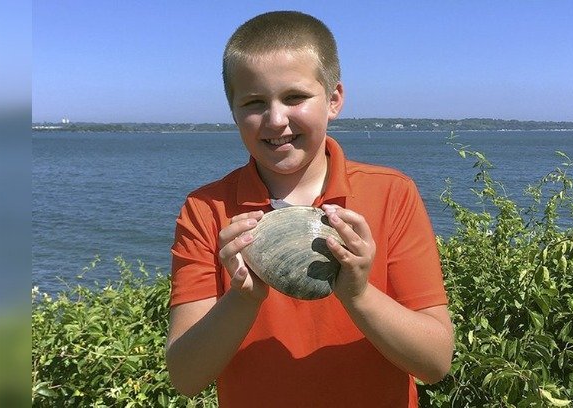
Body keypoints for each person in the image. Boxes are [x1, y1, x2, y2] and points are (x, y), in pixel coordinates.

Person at [166, 10, 454, 407]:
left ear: (333, 99)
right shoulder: (206, 210)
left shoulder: (392, 194)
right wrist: (242, 299)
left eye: (295, 97)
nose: (275, 119)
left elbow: (435, 362)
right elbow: (185, 376)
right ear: (232, 110)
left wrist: (358, 295)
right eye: (253, 102)